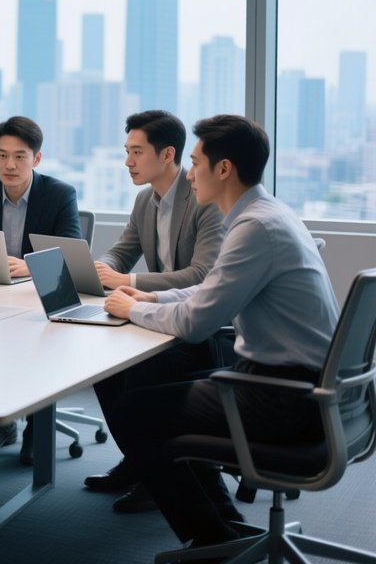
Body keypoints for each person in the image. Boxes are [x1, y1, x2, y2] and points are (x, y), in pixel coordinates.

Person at [105, 115, 339, 557]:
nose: (190, 174)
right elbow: (213, 289)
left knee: (135, 411)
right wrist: (152, 298)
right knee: (155, 393)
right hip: (301, 386)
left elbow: (197, 322)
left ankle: (212, 539)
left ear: (224, 168)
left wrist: (132, 309)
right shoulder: (266, 214)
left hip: (282, 397)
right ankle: (222, 527)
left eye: (196, 163)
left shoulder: (255, 227)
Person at [84, 110, 224, 512]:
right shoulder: (145, 200)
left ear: (167, 155)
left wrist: (128, 281)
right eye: (126, 151)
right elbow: (122, 250)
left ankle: (155, 471)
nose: (127, 161)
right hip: (158, 318)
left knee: (139, 375)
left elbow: (202, 274)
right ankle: (140, 460)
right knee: (104, 367)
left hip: (200, 328)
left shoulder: (204, 200)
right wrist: (102, 269)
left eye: (136, 152)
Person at [0, 115, 81, 461]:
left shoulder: (59, 194)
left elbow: (69, 253)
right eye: (2, 155)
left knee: (37, 345)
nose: (9, 165)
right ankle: (3, 423)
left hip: (39, 297)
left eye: (20, 156)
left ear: (36, 159)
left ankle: (37, 429)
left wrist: (29, 264)